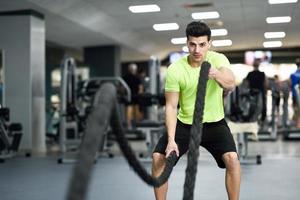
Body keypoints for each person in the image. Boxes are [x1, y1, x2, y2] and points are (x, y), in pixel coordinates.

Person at [151, 21, 240, 200]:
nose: (197, 50)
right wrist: (170, 141)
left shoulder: (218, 59)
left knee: (232, 159)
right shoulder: (176, 69)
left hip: (215, 123)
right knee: (158, 158)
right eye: (192, 44)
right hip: (186, 124)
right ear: (187, 43)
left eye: (201, 44)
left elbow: (231, 83)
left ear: (209, 44)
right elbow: (171, 106)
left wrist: (214, 73)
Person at [245, 59, 268, 123]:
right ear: (259, 66)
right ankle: (259, 120)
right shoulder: (262, 74)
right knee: (260, 107)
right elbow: (265, 84)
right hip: (260, 92)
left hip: (252, 92)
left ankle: (251, 119)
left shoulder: (250, 74)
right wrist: (265, 92)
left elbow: (247, 84)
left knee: (252, 106)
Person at [123, 63, 143, 128]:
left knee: (129, 109)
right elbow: (140, 88)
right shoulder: (137, 77)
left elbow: (122, 88)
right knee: (135, 109)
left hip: (128, 95)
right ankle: (136, 124)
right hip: (135, 96)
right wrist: (140, 94)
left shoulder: (125, 77)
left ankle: (129, 124)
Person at [290, 58, 300, 127]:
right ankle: (297, 122)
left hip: (294, 94)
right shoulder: (293, 74)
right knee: (296, 108)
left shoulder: (293, 74)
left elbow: (290, 84)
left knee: (296, 108)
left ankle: (297, 122)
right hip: (295, 94)